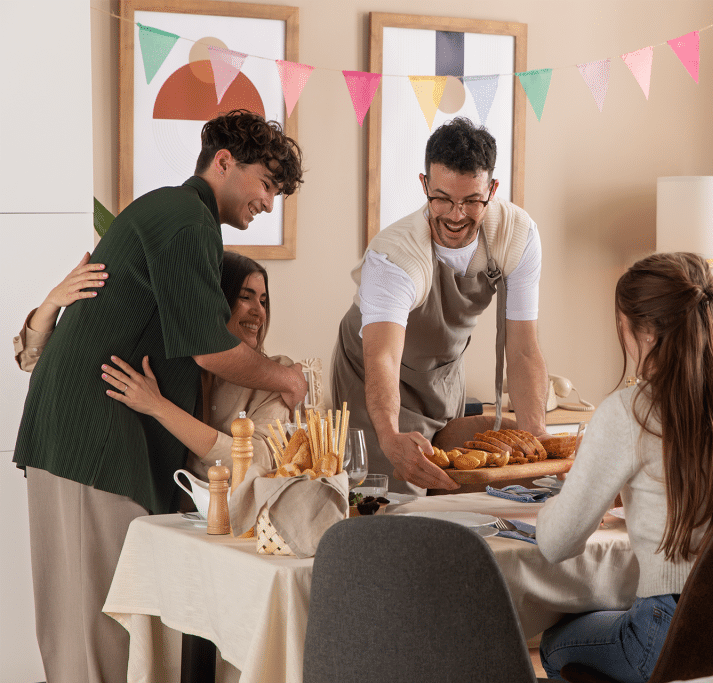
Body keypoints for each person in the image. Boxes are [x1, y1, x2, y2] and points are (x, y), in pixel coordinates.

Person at [12, 110, 305, 683]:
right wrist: (287, 379)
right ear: (224, 162)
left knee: (87, 625)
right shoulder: (187, 219)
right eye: (266, 184)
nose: (269, 203)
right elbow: (209, 348)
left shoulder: (175, 215)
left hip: (83, 437)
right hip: (94, 438)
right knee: (99, 631)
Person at [536, 252, 713, 682]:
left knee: (554, 643)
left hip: (676, 638)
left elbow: (556, 544)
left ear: (643, 331)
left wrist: (564, 495)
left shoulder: (628, 412)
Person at [332, 117, 549, 493]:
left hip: (442, 375)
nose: (455, 215)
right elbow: (382, 357)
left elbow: (523, 349)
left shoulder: (518, 235)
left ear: (492, 189)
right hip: (374, 375)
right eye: (442, 198)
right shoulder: (394, 256)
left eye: (471, 201)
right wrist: (389, 435)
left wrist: (537, 433)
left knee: (453, 492)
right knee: (389, 499)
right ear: (424, 185)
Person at [15, 250, 293, 480]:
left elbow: (259, 460)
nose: (259, 310)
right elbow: (41, 363)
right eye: (245, 297)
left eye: (263, 300)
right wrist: (53, 301)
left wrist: (159, 407)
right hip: (156, 510)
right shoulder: (167, 359)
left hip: (233, 517)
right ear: (213, 302)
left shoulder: (276, 376)